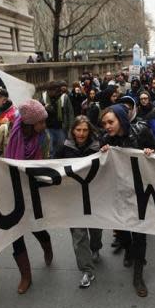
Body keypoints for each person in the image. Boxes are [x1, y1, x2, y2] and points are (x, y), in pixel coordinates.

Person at [0, 99, 54, 293]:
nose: (44, 125)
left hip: (32, 190)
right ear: (29, 123)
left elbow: (47, 160)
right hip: (9, 190)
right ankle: (25, 276)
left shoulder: (44, 137)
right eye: (41, 122)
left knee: (36, 227)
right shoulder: (5, 131)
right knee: (15, 233)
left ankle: (47, 246)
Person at [100, 104, 155, 297]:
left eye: (111, 122)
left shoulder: (141, 131)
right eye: (104, 123)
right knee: (123, 232)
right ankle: (129, 250)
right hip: (119, 193)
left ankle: (138, 274)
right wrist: (103, 152)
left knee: (139, 233)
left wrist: (153, 153)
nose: (107, 126)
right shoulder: (105, 139)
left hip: (140, 191)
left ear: (121, 119)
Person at [55, 116, 103, 288]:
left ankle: (96, 247)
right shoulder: (63, 148)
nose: (81, 134)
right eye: (78, 130)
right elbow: (52, 166)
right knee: (79, 235)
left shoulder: (99, 147)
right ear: (72, 130)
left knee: (95, 228)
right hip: (73, 198)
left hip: (95, 196)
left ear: (89, 131)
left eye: (85, 130)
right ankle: (86, 270)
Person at [40, 81, 74, 158]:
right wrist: (45, 108)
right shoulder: (43, 97)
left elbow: (70, 113)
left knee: (61, 147)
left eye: (54, 90)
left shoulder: (64, 97)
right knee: (50, 148)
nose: (50, 92)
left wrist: (70, 128)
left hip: (60, 128)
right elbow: (38, 112)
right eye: (49, 90)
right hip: (47, 128)